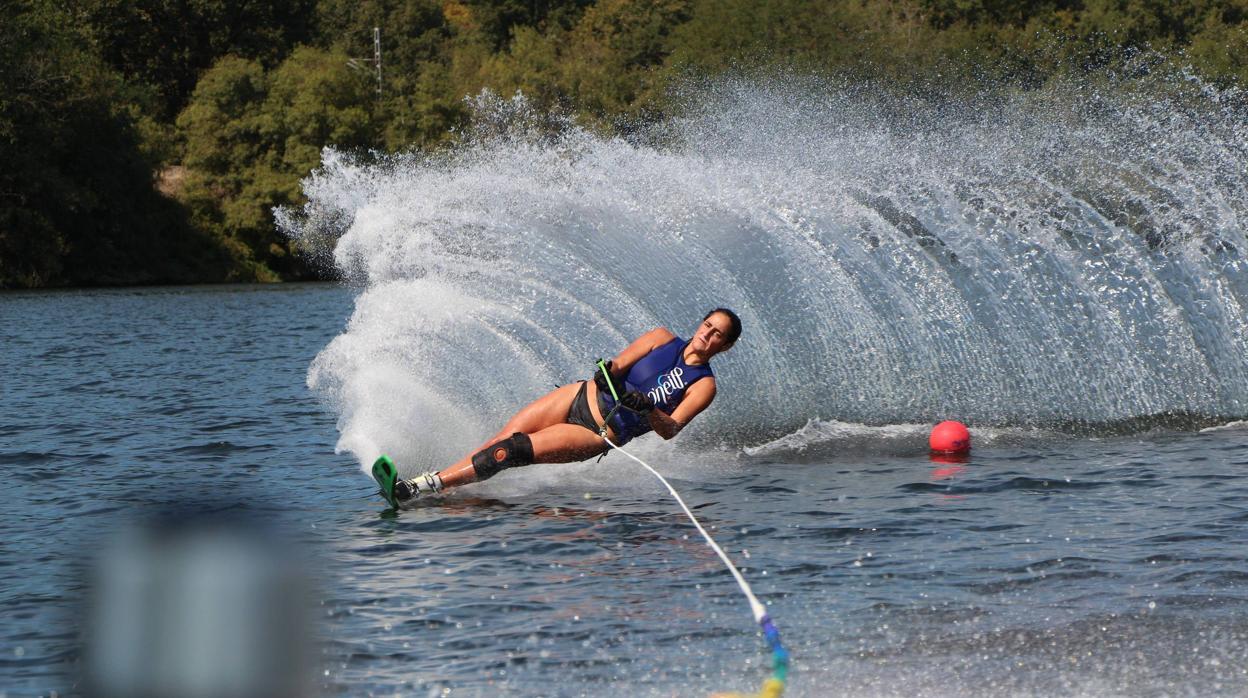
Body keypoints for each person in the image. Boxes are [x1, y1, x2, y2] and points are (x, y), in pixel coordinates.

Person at [376, 308, 742, 506]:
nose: (706, 334)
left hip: (599, 432)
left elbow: (670, 429)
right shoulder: (661, 338)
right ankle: (446, 490)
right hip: (578, 395)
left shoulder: (703, 385)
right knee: (500, 441)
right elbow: (617, 365)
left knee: (512, 451)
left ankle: (420, 487)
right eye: (707, 325)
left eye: (717, 334)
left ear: (724, 347)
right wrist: (605, 374)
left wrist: (647, 409)